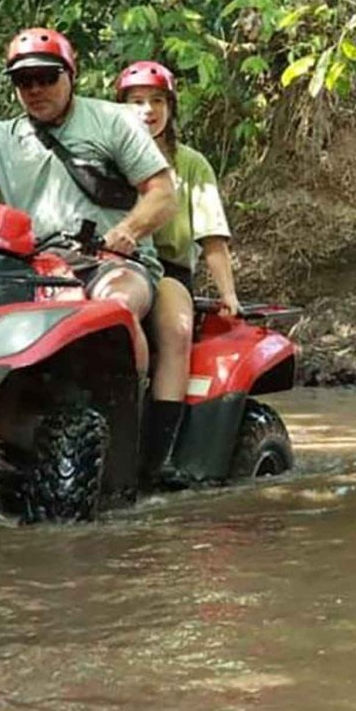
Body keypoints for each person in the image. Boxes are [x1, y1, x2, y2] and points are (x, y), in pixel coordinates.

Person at [0, 28, 180, 473]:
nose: (36, 89)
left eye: (46, 76)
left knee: (116, 307)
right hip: (29, 269)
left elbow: (162, 193)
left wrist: (127, 231)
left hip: (111, 263)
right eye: (24, 81)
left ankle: (130, 434)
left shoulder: (112, 122)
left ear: (70, 75)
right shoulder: (1, 137)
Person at [115, 60, 241, 454]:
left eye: (157, 101)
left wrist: (229, 295)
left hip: (166, 272)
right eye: (136, 102)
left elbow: (212, 238)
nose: (147, 111)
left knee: (176, 328)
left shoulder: (190, 163)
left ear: (170, 108)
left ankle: (160, 452)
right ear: (119, 108)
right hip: (104, 265)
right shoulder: (103, 156)